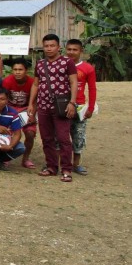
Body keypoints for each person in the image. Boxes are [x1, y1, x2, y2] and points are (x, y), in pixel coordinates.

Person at [27, 34, 78, 182]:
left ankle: (67, 169)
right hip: (43, 106)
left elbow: (73, 82)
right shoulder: (40, 64)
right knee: (47, 138)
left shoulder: (67, 62)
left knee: (63, 138)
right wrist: (31, 103)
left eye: (52, 46)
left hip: (61, 105)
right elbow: (36, 84)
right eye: (46, 46)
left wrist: (72, 102)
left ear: (58, 47)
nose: (49, 49)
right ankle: (51, 166)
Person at [65, 39, 97, 176]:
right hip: (63, 105)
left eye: (75, 49)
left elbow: (92, 88)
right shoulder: (61, 65)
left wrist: (90, 108)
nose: (71, 52)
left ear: (81, 51)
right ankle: (61, 162)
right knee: (60, 135)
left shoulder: (88, 68)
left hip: (80, 107)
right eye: (69, 49)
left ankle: (76, 164)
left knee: (78, 135)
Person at [1, 59, 37, 169]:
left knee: (30, 134)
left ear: (26, 70)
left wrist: (32, 114)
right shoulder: (7, 81)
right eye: (15, 69)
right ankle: (6, 157)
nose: (17, 72)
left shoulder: (32, 82)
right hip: (10, 110)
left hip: (27, 110)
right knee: (8, 133)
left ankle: (25, 158)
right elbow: (3, 99)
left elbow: (35, 101)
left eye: (20, 69)